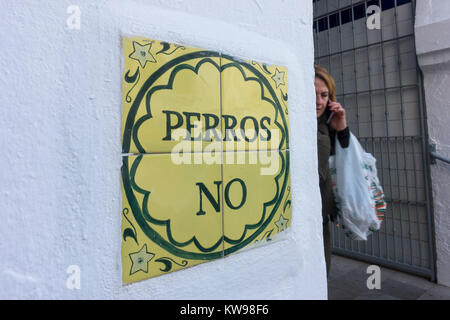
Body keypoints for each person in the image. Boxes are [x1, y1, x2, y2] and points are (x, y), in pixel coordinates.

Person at [314, 65, 350, 277]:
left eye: (324, 95)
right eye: (313, 94)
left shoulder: (327, 123)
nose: (319, 101)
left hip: (322, 215)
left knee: (321, 273)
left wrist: (342, 128)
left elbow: (343, 160)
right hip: (300, 214)